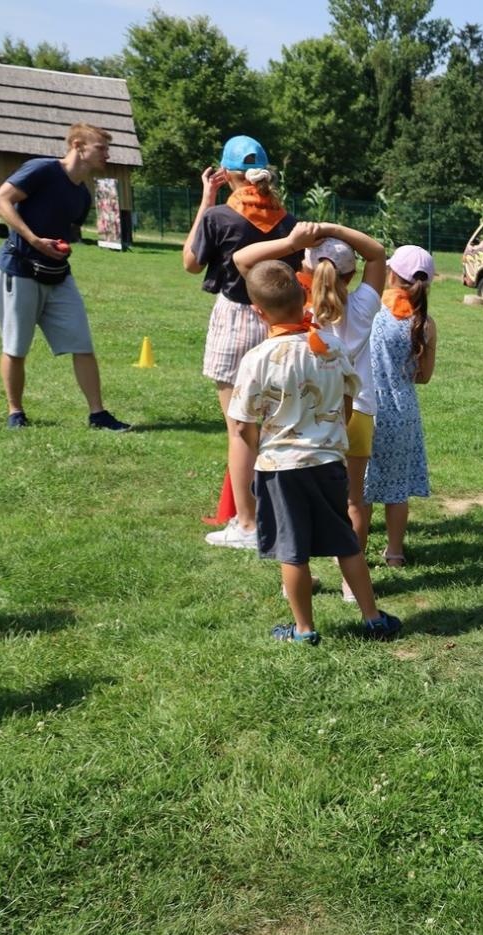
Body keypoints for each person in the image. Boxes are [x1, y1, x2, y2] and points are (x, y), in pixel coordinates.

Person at [227, 260, 400, 644]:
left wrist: (261, 449)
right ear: (303, 295)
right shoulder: (331, 347)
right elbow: (350, 402)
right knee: (345, 542)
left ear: (258, 311)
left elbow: (241, 423)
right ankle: (373, 618)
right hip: (328, 463)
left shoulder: (257, 359)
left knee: (293, 551)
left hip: (279, 469)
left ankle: (304, 629)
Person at [186, 135, 300, 549]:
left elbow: (189, 261)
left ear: (228, 173)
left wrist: (206, 196)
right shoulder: (286, 221)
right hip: (275, 324)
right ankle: (279, 513)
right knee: (272, 426)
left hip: (235, 320)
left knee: (239, 428)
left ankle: (248, 525)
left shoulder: (219, 216)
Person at [0, 122, 130, 431]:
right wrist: (34, 239)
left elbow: (65, 231)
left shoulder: (82, 195)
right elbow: (0, 200)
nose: (107, 154)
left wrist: (57, 247)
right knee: (16, 347)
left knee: (82, 343)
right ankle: (16, 412)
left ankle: (98, 414)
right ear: (78, 145)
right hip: (19, 268)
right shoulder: (41, 170)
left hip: (57, 275)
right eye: (101, 148)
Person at [363, 245, 436, 566]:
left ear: (391, 275)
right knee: (396, 489)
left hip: (367, 407)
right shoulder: (425, 323)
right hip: (403, 411)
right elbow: (424, 377)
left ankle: (355, 552)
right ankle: (395, 553)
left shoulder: (369, 314)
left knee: (361, 488)